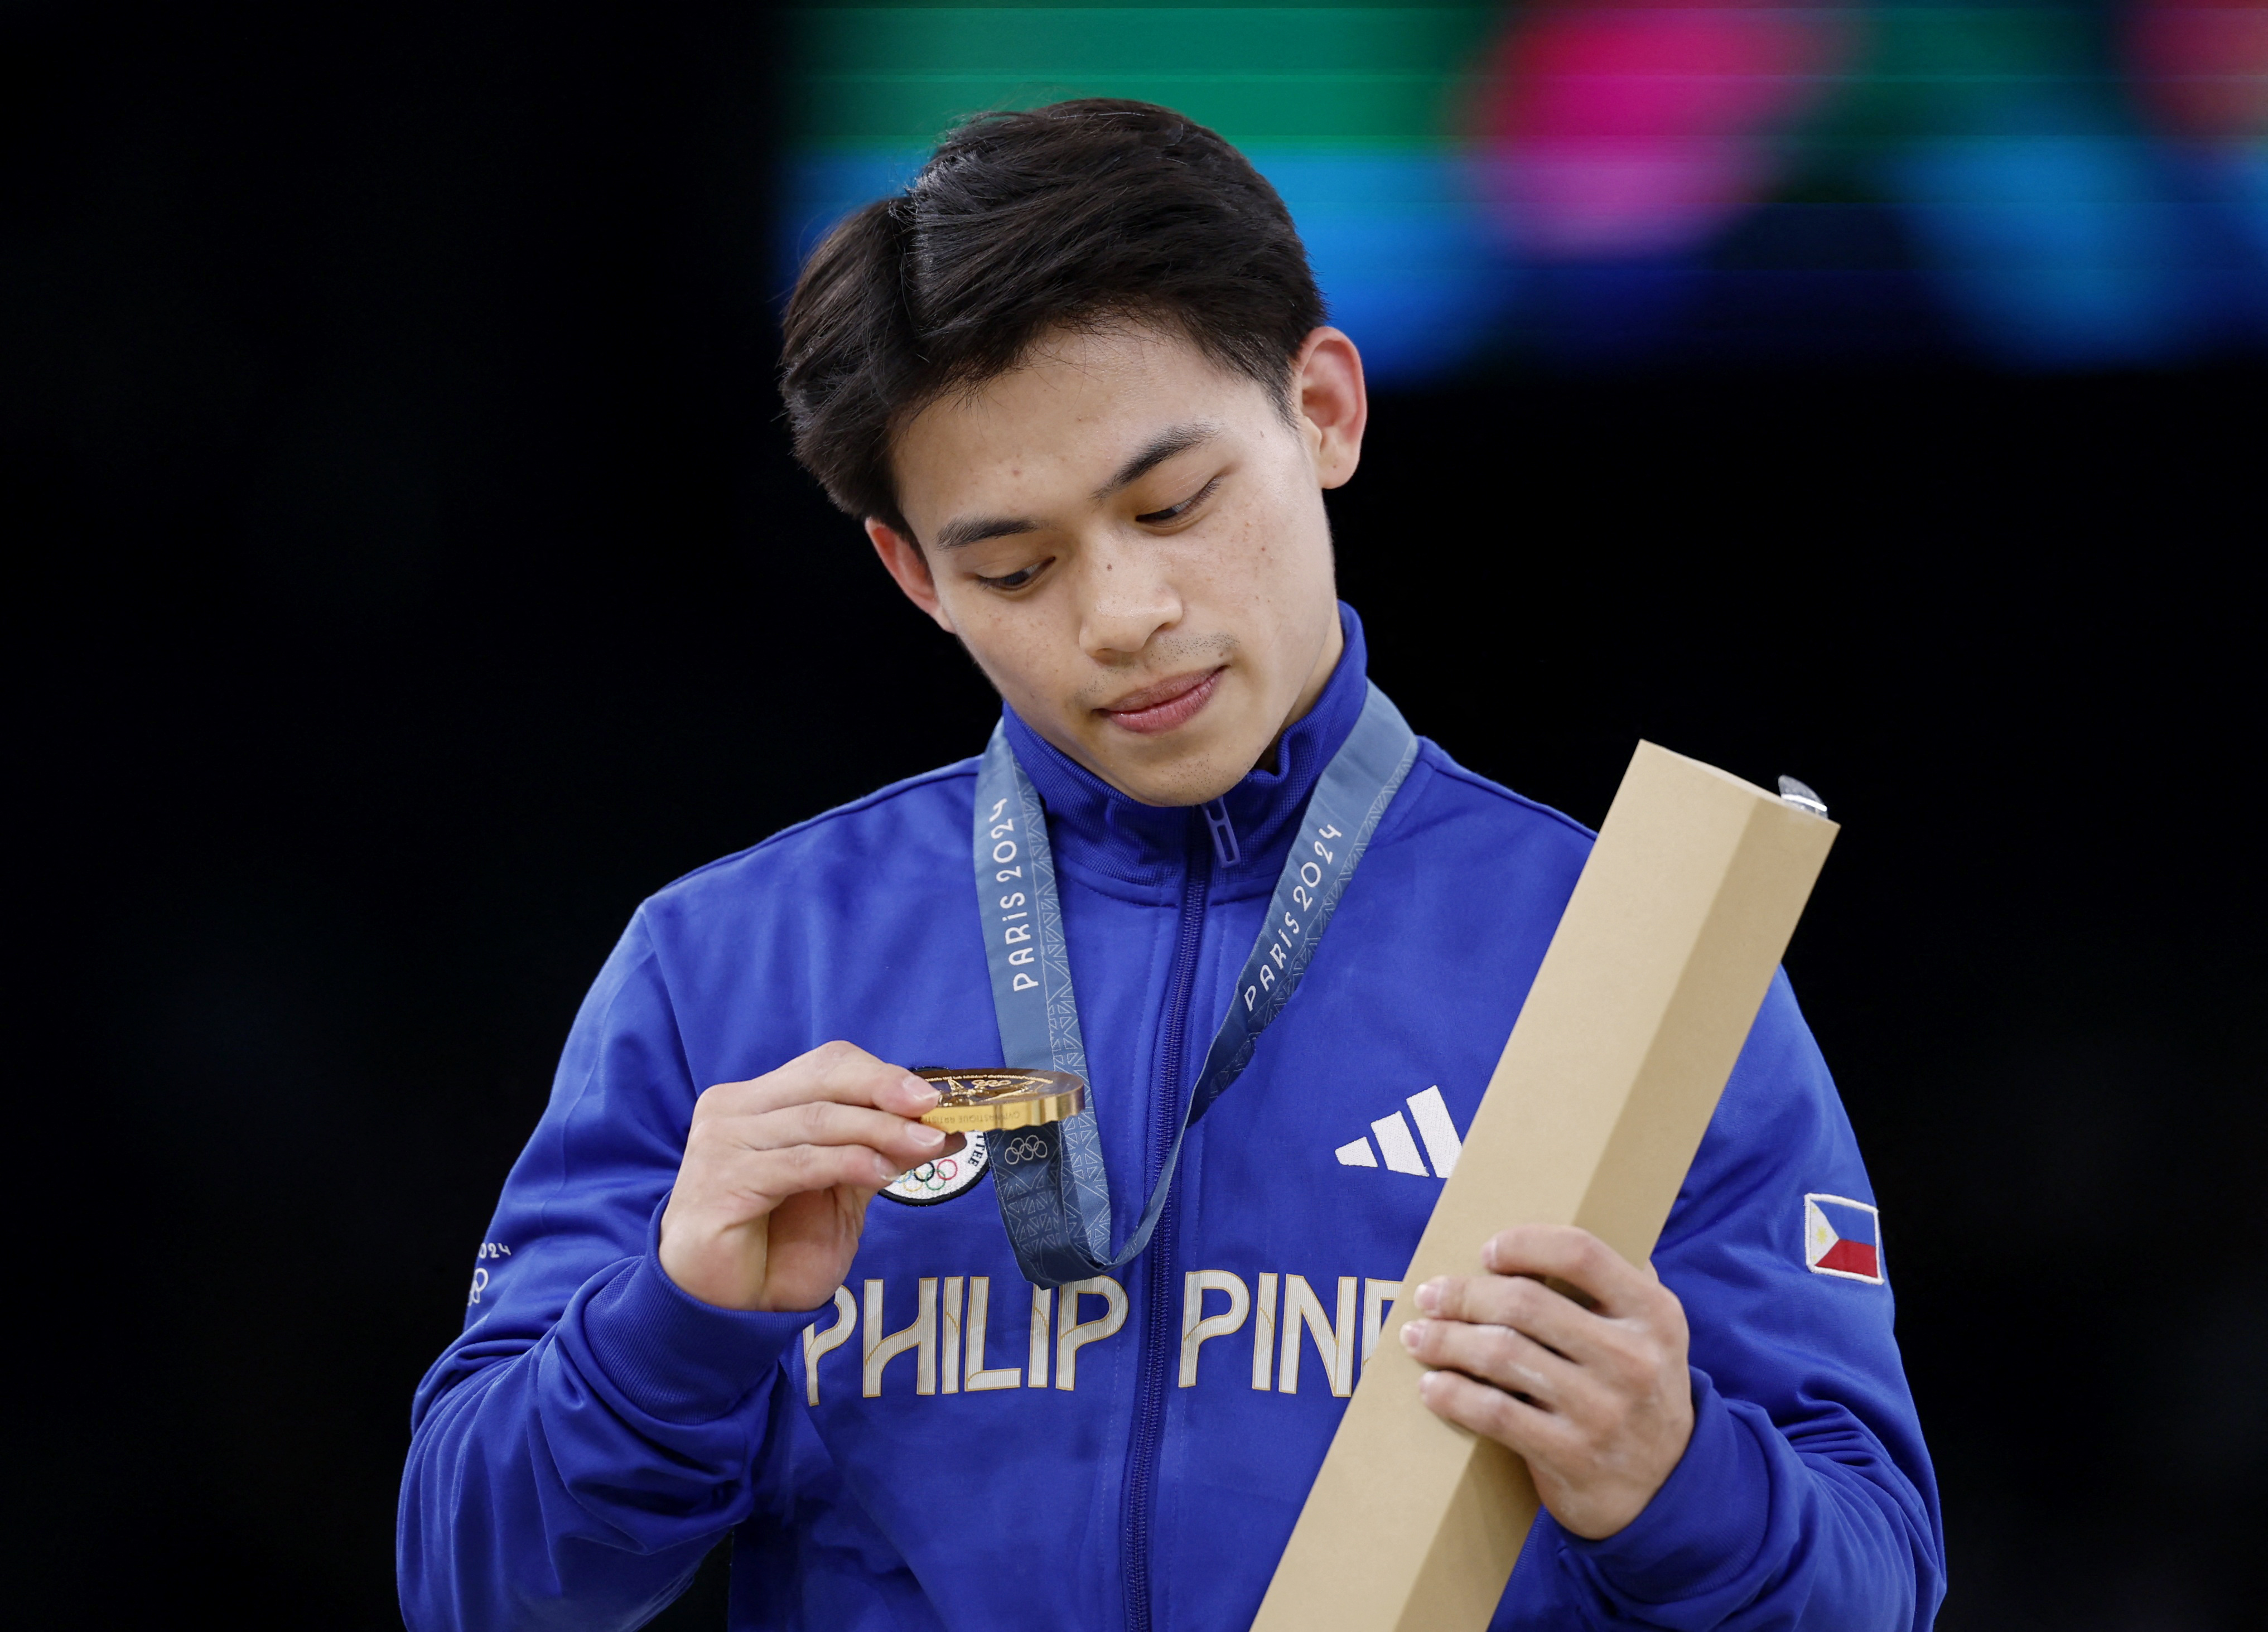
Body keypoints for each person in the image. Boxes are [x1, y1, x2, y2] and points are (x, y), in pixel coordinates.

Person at [398, 99, 1944, 1632]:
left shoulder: (1627, 957)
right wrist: (674, 1328)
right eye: (1015, 566)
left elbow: (1876, 1587)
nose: (1121, 613)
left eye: (1174, 503)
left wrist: (1676, 1481)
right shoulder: (730, 967)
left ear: (1324, 410)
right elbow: (475, 1589)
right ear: (913, 573)